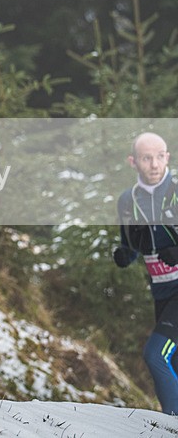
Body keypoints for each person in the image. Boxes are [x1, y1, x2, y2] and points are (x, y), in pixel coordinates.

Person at [113, 132, 178, 415]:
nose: (154, 164)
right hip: (161, 293)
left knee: (155, 355)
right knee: (173, 364)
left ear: (168, 157)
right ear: (133, 161)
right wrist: (125, 255)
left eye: (159, 156)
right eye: (146, 158)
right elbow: (131, 244)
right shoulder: (128, 200)